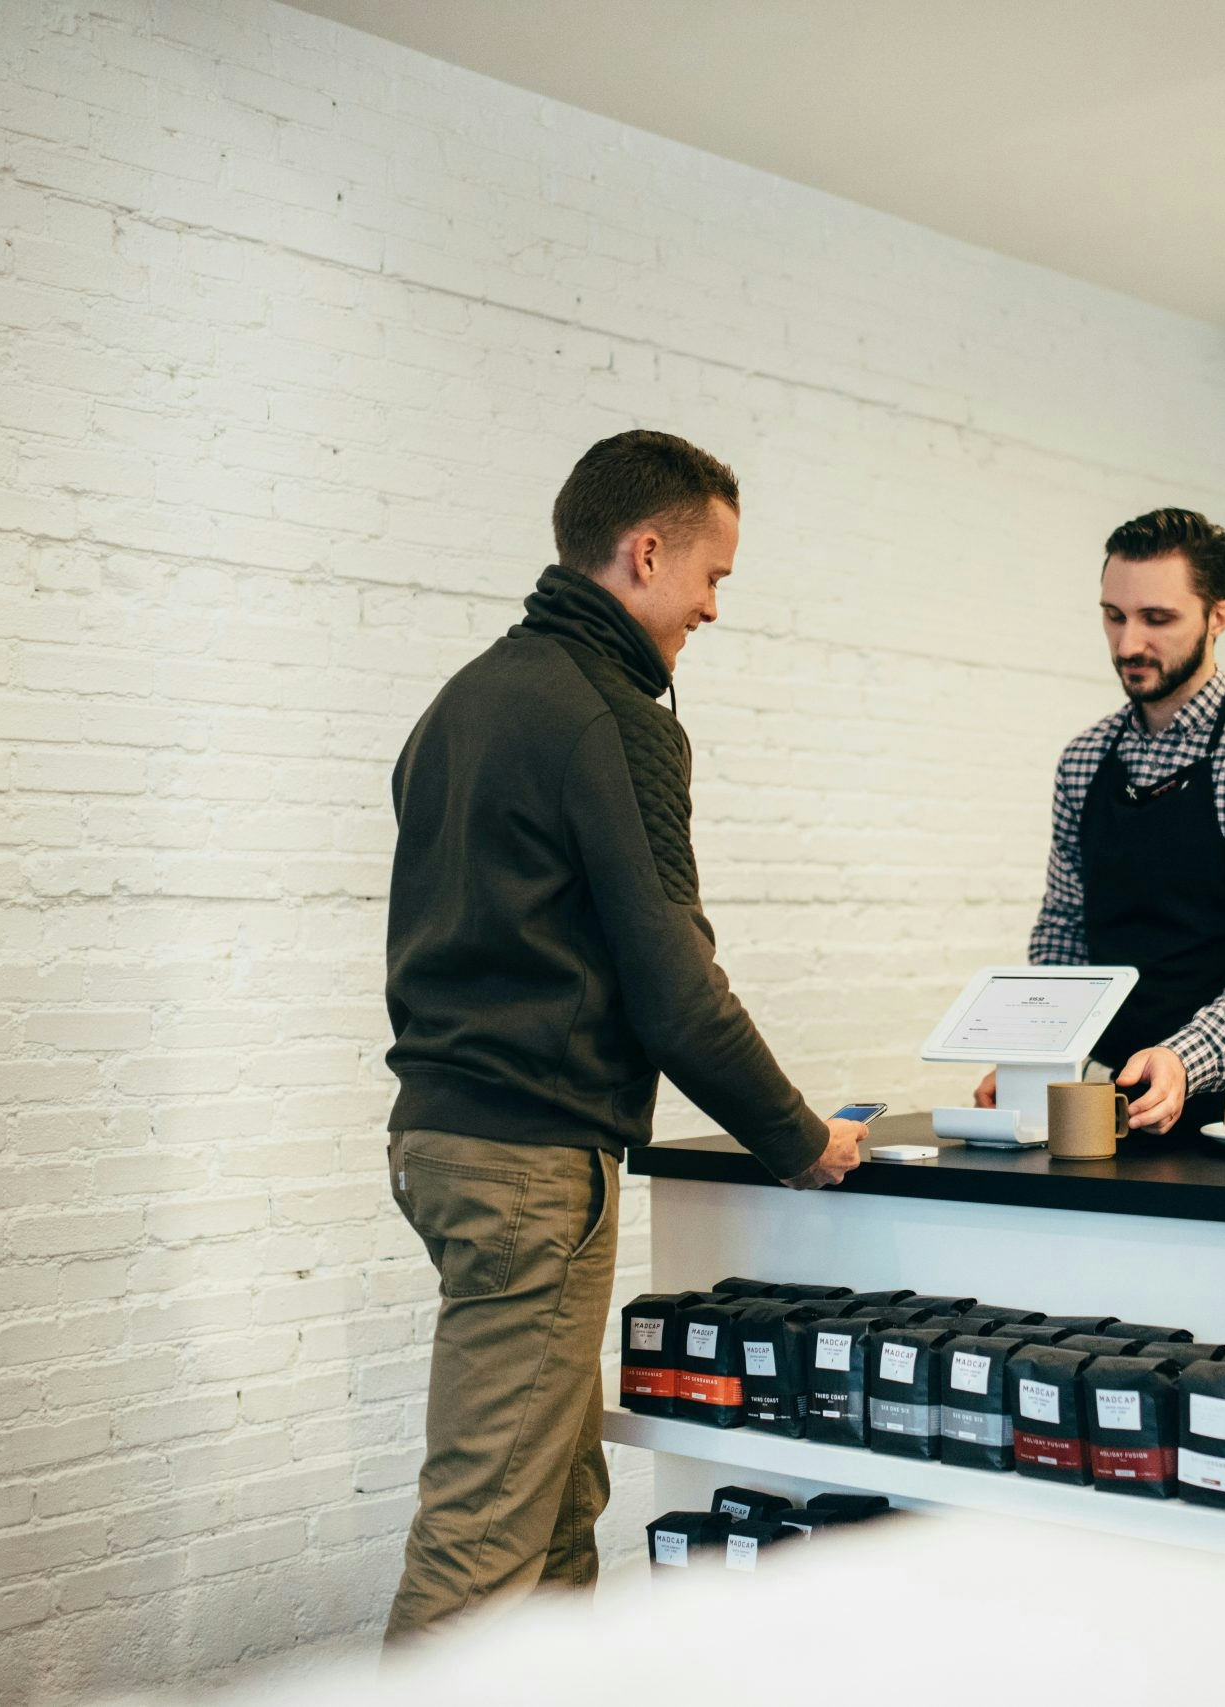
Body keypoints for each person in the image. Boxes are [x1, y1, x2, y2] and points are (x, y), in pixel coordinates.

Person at [380, 430, 866, 1640]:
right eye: (710, 577)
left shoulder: (460, 702)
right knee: (484, 1534)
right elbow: (674, 986)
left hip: (441, 1142)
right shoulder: (613, 719)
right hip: (532, 1165)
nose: (711, 608)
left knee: (556, 1501)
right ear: (645, 554)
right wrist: (800, 1139)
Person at [982, 508, 1225, 1137]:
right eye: (1114, 616)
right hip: (1103, 1108)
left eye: (1157, 619)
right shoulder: (1085, 759)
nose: (1127, 645)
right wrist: (1032, 1057)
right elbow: (1064, 933)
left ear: (1218, 617)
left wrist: (1182, 1059)